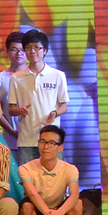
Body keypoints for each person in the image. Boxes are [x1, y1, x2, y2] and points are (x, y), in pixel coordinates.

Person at [18, 124, 86, 215]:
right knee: (26, 205)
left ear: (60, 148)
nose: (46, 146)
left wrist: (59, 213)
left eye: (51, 143)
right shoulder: (26, 168)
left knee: (77, 203)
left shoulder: (70, 169)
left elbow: (74, 194)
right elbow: (32, 194)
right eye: (42, 142)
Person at [9, 30, 69, 166]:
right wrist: (18, 110)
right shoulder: (16, 78)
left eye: (37, 47)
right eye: (28, 48)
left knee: (55, 175)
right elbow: (11, 109)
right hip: (26, 140)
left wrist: (55, 113)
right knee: (27, 176)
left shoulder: (58, 75)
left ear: (45, 50)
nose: (33, 51)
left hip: (51, 139)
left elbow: (64, 105)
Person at [0, 32, 25, 149]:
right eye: (14, 50)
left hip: (33, 137)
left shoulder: (35, 77)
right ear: (7, 52)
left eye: (22, 49)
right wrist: (12, 131)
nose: (19, 53)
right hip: (9, 139)